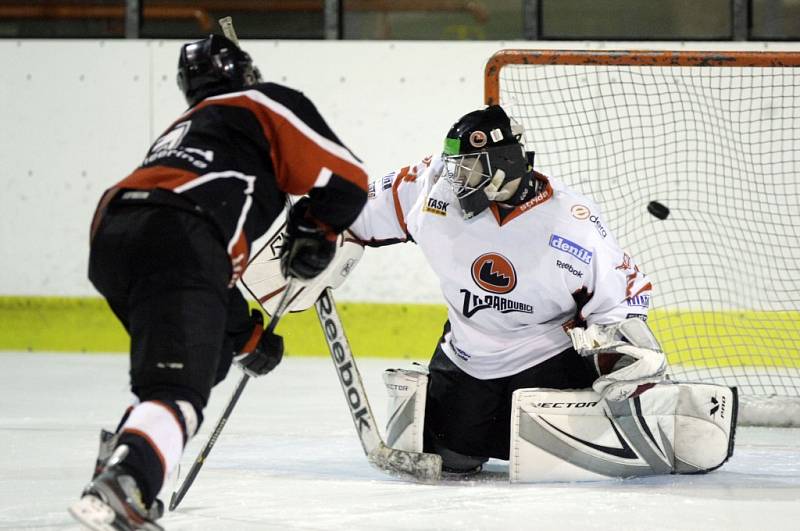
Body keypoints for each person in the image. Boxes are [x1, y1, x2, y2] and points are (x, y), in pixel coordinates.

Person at [69, 34, 368, 530]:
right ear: (245, 73)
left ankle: (124, 458)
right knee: (177, 390)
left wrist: (246, 338)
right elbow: (348, 176)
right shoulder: (260, 101)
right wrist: (318, 227)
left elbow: (204, 278)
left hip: (114, 234)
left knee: (194, 367)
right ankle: (127, 484)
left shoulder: (182, 131)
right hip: (182, 234)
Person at [349, 105, 667, 474]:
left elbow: (621, 299)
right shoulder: (431, 185)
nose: (457, 178)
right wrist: (318, 231)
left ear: (504, 162)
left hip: (545, 357)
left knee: (548, 469)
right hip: (467, 352)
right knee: (453, 460)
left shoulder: (573, 225)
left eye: (470, 166)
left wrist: (630, 357)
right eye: (456, 166)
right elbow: (354, 211)